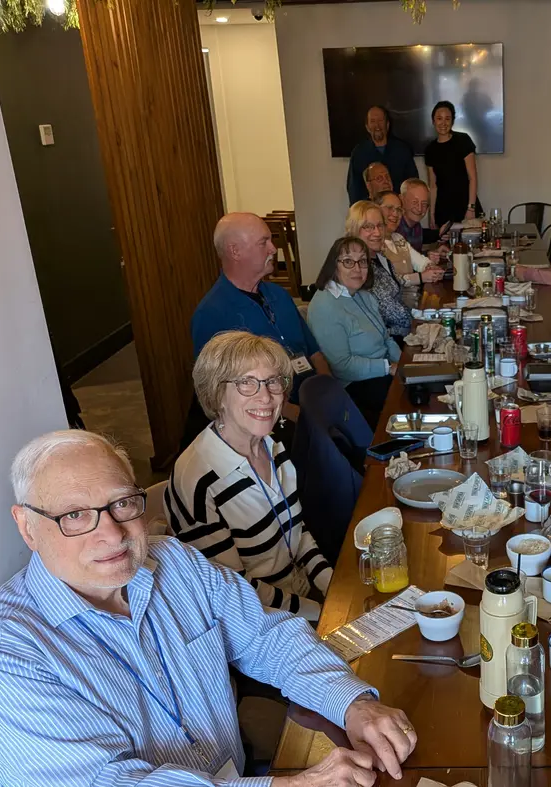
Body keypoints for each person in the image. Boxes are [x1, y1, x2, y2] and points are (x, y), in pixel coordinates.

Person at [0, 431, 417, 787]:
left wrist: (352, 702)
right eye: (75, 516)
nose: (111, 533)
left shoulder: (174, 563)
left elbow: (267, 637)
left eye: (122, 504)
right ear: (27, 526)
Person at [170, 332, 350, 620]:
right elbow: (234, 591)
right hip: (260, 623)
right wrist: (320, 613)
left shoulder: (271, 445)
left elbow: (299, 533)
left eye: (272, 381)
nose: (265, 396)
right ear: (217, 394)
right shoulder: (199, 479)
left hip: (303, 600)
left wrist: (333, 587)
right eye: (246, 383)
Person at [192, 212, 331, 403]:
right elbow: (225, 395)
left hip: (313, 397)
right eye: (263, 242)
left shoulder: (279, 295)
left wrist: (331, 393)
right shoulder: (212, 314)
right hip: (270, 417)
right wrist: (303, 419)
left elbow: (314, 352)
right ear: (235, 251)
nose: (273, 249)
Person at [308, 236, 401, 430]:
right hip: (355, 385)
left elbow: (386, 339)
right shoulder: (325, 306)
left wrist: (405, 365)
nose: (357, 269)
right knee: (409, 399)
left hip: (381, 373)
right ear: (334, 266)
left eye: (363, 261)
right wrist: (389, 367)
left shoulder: (363, 295)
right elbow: (342, 367)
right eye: (348, 262)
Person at [346, 200, 436, 325]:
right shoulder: (357, 267)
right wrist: (430, 318)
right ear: (354, 229)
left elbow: (398, 282)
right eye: (368, 227)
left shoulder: (380, 257)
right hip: (387, 335)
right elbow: (392, 314)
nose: (377, 233)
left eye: (380, 226)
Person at [425, 101, 481, 231]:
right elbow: (433, 185)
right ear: (433, 121)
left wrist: (471, 208)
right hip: (443, 207)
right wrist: (431, 214)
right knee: (445, 247)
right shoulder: (430, 149)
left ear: (452, 121)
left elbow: (472, 177)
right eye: (439, 119)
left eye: (447, 119)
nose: (443, 123)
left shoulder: (463, 140)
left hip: (465, 204)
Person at [346, 105, 418, 205]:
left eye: (380, 120)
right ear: (367, 127)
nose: (377, 126)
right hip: (371, 213)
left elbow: (412, 184)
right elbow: (354, 190)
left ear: (387, 125)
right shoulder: (358, 153)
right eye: (373, 121)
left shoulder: (402, 150)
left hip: (398, 211)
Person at [376, 190, 444, 281]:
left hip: (414, 294)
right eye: (389, 208)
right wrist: (420, 277)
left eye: (399, 210)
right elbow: (388, 281)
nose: (395, 214)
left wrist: (431, 267)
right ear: (376, 210)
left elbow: (421, 262)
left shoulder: (398, 238)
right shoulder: (375, 244)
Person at [397, 178, 447, 252]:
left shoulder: (417, 227)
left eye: (424, 204)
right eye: (415, 202)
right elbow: (403, 260)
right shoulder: (395, 227)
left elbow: (415, 258)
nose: (420, 209)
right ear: (401, 200)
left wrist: (434, 253)